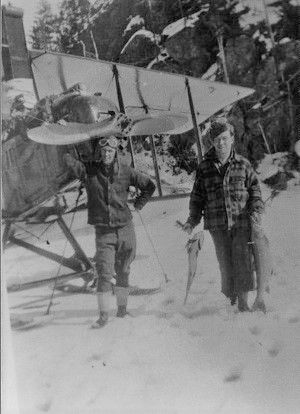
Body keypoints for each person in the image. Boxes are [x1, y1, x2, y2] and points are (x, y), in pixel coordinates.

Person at [64, 136, 156, 327]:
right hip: (104, 233)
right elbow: (69, 162)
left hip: (125, 230)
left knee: (124, 270)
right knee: (104, 272)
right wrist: (66, 135)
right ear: (99, 152)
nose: (107, 154)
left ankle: (122, 311)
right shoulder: (89, 171)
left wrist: (137, 206)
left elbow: (149, 186)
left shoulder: (126, 171)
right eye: (103, 151)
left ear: (115, 153)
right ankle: (103, 316)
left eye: (110, 151)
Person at [182, 118, 264, 311]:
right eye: (216, 139)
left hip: (241, 223)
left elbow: (255, 189)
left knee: (243, 261)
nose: (221, 143)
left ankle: (243, 304)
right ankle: (231, 298)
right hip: (217, 226)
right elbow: (197, 197)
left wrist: (257, 208)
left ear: (232, 138)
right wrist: (192, 220)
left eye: (224, 138)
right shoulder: (204, 167)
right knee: (226, 265)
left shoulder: (243, 164)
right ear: (211, 141)